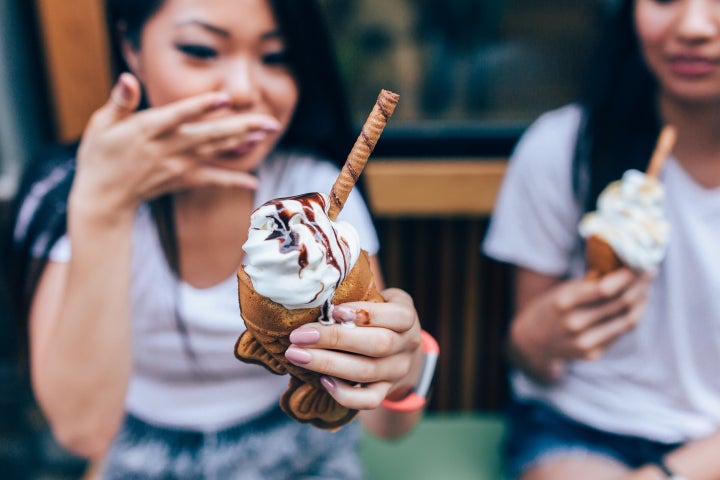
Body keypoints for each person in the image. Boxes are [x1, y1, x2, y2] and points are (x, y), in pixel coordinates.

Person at [9, 0, 428, 477]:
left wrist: (403, 363)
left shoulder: (312, 196)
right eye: (201, 50)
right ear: (131, 47)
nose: (245, 89)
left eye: (275, 57)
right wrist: (102, 208)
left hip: (299, 450)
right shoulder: (75, 197)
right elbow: (83, 432)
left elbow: (389, 426)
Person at [483, 1, 720, 479]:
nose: (693, 26)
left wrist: (666, 474)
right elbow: (529, 361)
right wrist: (537, 340)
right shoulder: (563, 147)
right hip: (580, 427)